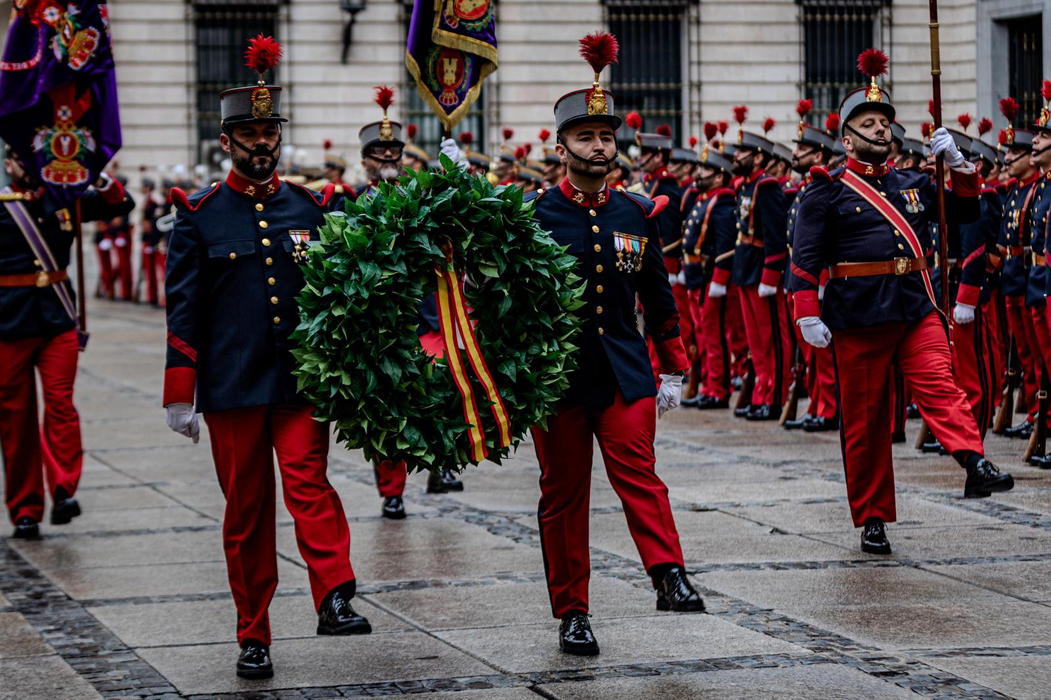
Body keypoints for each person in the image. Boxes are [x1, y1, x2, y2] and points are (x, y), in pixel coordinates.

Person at [162, 37, 369, 680]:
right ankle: (253, 632)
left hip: (301, 380)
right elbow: (184, 308)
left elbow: (352, 277)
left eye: (268, 131)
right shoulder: (198, 217)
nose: (261, 143)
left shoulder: (312, 207)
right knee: (246, 513)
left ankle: (333, 593)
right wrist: (179, 390)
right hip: (232, 387)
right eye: (248, 133)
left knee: (310, 482)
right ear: (227, 142)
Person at [792, 49, 1014, 556]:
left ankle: (974, 461)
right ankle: (872, 517)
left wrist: (958, 165)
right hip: (858, 315)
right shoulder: (826, 191)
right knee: (866, 425)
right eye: (866, 123)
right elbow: (804, 261)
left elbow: (964, 211)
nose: (878, 129)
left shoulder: (914, 182)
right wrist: (807, 311)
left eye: (883, 122)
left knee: (940, 383)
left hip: (915, 306)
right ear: (846, 138)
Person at [526, 33, 704, 658]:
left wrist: (675, 367)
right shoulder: (534, 213)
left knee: (640, 474)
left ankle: (668, 573)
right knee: (564, 495)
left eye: (604, 137)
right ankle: (572, 611)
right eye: (585, 137)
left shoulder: (636, 211)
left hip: (626, 371)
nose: (598, 147)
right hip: (558, 378)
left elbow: (657, 296)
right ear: (562, 145)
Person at [0, 147, 134, 539]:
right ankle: (24, 508)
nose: (21, 165)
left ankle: (63, 491)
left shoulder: (66, 199)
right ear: (8, 165)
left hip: (57, 318)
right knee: (14, 417)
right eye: (16, 159)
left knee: (60, 402)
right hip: (8, 323)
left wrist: (96, 175)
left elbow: (122, 204)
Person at [354, 87, 464, 518]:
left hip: (425, 315)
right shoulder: (354, 205)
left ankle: (442, 465)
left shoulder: (419, 196)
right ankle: (392, 489)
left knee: (439, 391)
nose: (387, 159)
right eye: (378, 154)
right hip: (383, 323)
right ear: (365, 160)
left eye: (393, 152)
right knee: (388, 408)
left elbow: (452, 228)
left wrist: (457, 177)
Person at [729, 106, 791, 421]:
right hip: (745, 267)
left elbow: (776, 235)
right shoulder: (745, 185)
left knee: (771, 340)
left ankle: (775, 396)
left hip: (762, 270)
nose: (735, 157)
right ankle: (760, 392)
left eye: (742, 152)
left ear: (757, 157)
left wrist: (771, 274)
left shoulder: (766, 186)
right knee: (756, 341)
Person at [783, 106, 839, 432]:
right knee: (810, 351)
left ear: (819, 153)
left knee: (823, 350)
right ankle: (818, 403)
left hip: (819, 277)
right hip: (801, 274)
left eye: (802, 149)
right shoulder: (806, 187)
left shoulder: (825, 186)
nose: (795, 153)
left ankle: (829, 407)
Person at [680, 144, 737, 409]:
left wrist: (718, 281)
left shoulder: (722, 200)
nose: (698, 172)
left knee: (714, 337)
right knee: (703, 335)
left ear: (719, 176)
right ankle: (709, 385)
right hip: (695, 276)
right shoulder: (703, 199)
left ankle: (719, 389)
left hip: (708, 278)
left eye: (705, 169)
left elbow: (725, 247)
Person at [997, 102, 1040, 440]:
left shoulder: (1038, 190)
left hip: (1031, 278)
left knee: (1038, 353)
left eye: (1015, 154)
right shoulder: (1015, 193)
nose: (1007, 160)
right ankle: (1034, 411)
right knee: (1024, 351)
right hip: (1013, 277)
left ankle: (1041, 413)